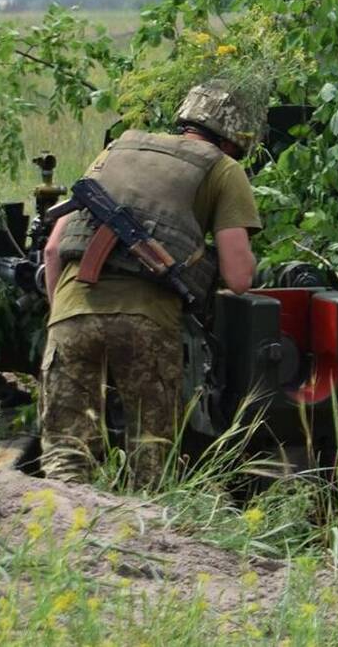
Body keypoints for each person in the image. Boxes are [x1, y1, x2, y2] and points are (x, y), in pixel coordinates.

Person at [39, 82, 264, 486]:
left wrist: (61, 315)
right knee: (152, 463)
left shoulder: (115, 150)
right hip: (145, 321)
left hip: (70, 312)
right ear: (236, 139)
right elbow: (239, 277)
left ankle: (63, 544)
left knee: (65, 460)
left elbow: (54, 250)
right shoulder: (223, 168)